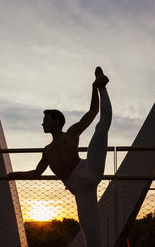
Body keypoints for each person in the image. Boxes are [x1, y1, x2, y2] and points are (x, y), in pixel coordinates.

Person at [8, 67, 112, 247]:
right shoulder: (47, 151)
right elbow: (36, 173)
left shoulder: (70, 134)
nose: (42, 124)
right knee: (93, 240)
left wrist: (94, 88)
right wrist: (14, 175)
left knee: (102, 126)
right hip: (81, 189)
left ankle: (101, 85)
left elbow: (94, 111)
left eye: (46, 120)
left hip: (90, 167)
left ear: (57, 121)